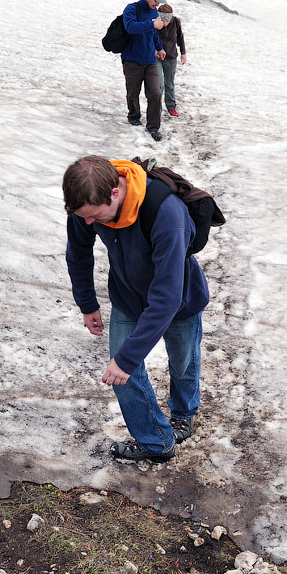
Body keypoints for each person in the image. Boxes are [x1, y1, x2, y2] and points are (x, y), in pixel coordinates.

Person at [63, 155, 209, 463]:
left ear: (115, 192)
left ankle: (183, 413)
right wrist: (87, 303)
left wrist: (128, 359)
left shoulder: (166, 213)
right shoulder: (86, 204)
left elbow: (167, 296)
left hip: (179, 301)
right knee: (121, 374)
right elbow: (78, 253)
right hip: (128, 298)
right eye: (83, 217)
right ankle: (156, 442)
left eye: (95, 216)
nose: (89, 223)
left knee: (182, 362)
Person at [121, 0, 167, 142]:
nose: (157, 4)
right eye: (156, 0)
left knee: (155, 92)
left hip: (150, 60)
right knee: (133, 93)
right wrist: (151, 24)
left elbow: (153, 33)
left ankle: (153, 127)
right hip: (132, 59)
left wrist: (159, 48)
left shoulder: (154, 11)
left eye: (159, 1)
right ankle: (134, 116)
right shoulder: (132, 9)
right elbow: (130, 27)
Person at [156, 4, 186, 117]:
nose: (164, 23)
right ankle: (156, 109)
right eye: (162, 20)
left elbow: (180, 37)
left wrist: (183, 52)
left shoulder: (176, 21)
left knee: (169, 83)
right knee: (159, 85)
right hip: (157, 57)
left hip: (171, 57)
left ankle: (171, 106)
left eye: (167, 20)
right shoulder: (155, 23)